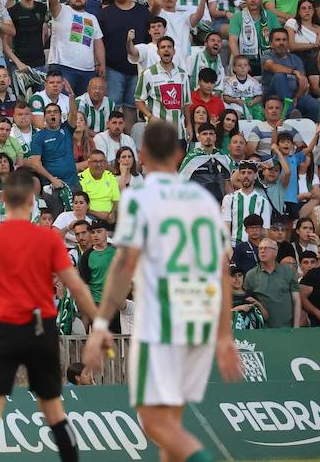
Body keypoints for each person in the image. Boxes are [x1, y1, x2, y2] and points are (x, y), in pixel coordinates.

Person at [83, 121, 242, 462]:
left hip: (162, 316)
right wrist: (225, 335)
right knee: (171, 419)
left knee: (152, 421)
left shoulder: (141, 197)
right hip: (199, 314)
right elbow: (220, 268)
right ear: (180, 154)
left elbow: (124, 266)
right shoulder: (203, 198)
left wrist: (99, 326)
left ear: (140, 155)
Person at [0, 168, 98, 462]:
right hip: (40, 327)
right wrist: (98, 324)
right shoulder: (47, 239)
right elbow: (75, 284)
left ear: (3, 201)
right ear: (32, 200)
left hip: (6, 328)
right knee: (53, 410)